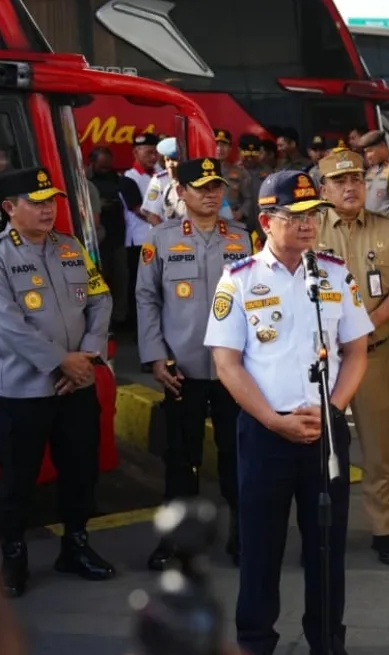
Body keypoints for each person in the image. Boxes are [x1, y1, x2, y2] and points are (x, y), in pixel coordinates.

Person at [205, 170, 373, 655]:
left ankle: (327, 642)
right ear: (265, 221)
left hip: (325, 432)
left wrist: (333, 410)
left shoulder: (334, 273)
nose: (307, 224)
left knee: (326, 549)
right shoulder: (239, 280)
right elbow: (226, 362)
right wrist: (273, 419)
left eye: (312, 214)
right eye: (293, 216)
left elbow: (357, 351)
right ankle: (256, 643)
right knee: (261, 548)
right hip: (265, 432)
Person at [0, 166, 116, 598]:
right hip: (24, 390)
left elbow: (101, 298)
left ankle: (75, 545)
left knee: (80, 470)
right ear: (10, 208)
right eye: (36, 202)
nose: (47, 209)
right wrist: (60, 363)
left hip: (78, 385)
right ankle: (14, 555)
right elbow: (7, 324)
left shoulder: (71, 248)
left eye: (50, 201)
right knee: (18, 477)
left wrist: (87, 356)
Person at [136, 158, 253, 570]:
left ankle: (245, 535)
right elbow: (146, 298)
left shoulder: (243, 239)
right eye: (201, 187)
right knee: (180, 459)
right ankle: (175, 542)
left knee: (237, 454)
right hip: (181, 368)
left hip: (233, 370)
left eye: (216, 185)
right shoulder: (161, 238)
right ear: (180, 192)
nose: (211, 193)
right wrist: (154, 356)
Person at [315, 150, 389, 565]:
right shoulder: (310, 229)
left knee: (377, 449)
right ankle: (322, 530)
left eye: (356, 178)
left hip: (372, 354)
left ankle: (383, 530)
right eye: (339, 182)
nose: (350, 187)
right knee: (320, 448)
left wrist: (363, 327)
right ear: (323, 189)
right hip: (322, 359)